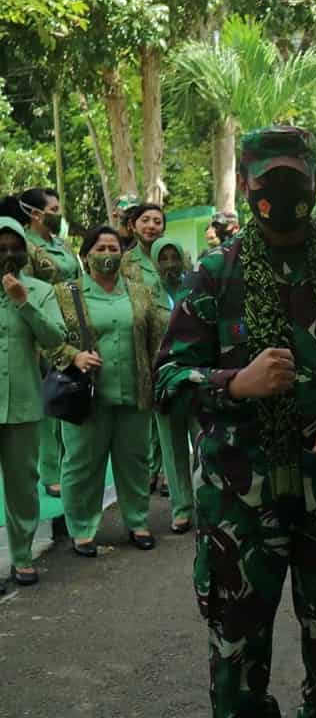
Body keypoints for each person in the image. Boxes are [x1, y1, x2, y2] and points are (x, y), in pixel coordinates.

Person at [155, 125, 316, 717]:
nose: (282, 192)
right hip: (240, 507)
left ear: (315, 183)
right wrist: (233, 383)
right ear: (247, 186)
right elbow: (167, 379)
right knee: (237, 671)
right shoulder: (215, 274)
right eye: (268, 180)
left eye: (293, 179)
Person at [51, 225, 163, 557]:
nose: (108, 254)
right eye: (100, 249)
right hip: (86, 397)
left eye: (114, 248)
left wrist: (159, 379)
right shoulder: (65, 293)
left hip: (134, 393)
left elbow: (155, 340)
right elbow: (47, 340)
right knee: (82, 465)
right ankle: (82, 529)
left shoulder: (140, 292)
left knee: (136, 461)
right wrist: (74, 356)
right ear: (85, 256)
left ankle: (138, 522)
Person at [0, 217, 66, 586]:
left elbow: (55, 338)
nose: (9, 255)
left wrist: (23, 302)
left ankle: (22, 555)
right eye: (1, 248)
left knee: (23, 484)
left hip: (23, 403)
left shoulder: (40, 291)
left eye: (16, 247)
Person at [11, 188, 81, 499]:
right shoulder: (23, 245)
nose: (58, 213)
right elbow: (23, 288)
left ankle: (69, 466)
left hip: (74, 326)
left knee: (70, 397)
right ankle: (51, 472)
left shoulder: (61, 244)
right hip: (43, 329)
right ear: (35, 213)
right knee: (51, 400)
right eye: (53, 209)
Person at [150, 236, 201, 533]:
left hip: (195, 376)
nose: (170, 264)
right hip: (163, 380)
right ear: (154, 262)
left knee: (202, 442)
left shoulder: (195, 287)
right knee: (172, 448)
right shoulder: (146, 295)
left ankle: (205, 501)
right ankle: (181, 508)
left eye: (174, 257)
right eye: (163, 258)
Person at [118, 203, 168, 494]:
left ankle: (165, 472)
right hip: (138, 342)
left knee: (167, 407)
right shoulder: (124, 262)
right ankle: (148, 470)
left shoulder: (174, 255)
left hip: (170, 340)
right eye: (145, 220)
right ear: (133, 225)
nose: (151, 226)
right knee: (145, 409)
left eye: (157, 221)